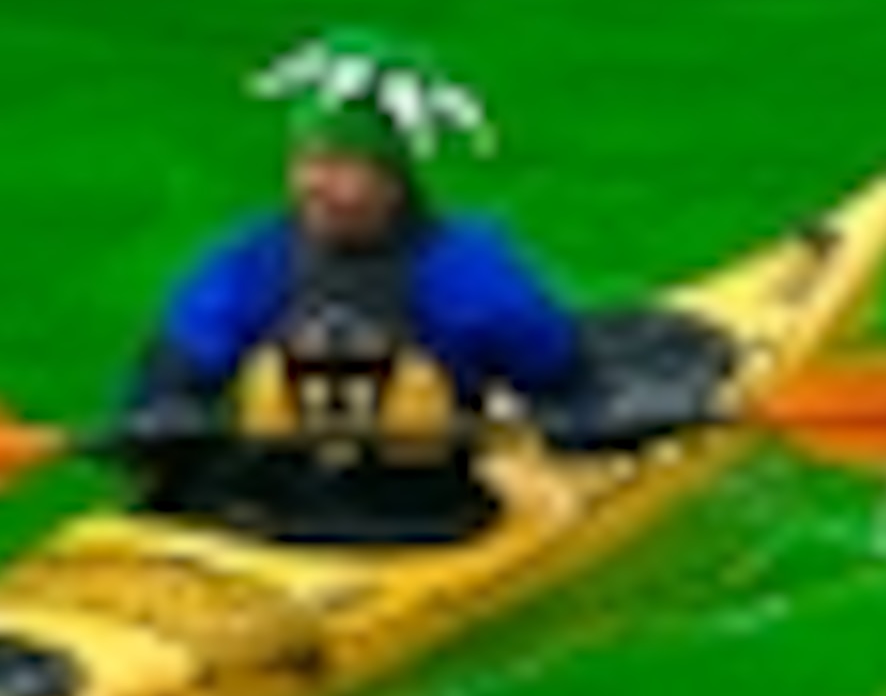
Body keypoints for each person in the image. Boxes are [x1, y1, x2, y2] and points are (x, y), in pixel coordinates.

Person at [121, 31, 588, 543]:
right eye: (306, 161)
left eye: (341, 166)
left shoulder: (465, 272)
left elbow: (551, 363)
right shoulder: (251, 264)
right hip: (268, 509)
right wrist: (157, 425)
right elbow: (172, 370)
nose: (314, 184)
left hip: (412, 527)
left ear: (394, 178)